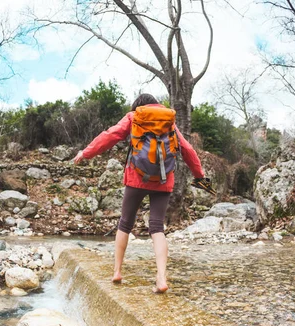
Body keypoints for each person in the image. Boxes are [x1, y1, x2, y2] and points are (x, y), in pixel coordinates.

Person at [73, 94, 206, 293]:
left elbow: (110, 135)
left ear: (138, 106)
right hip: (163, 180)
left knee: (125, 223)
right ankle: (161, 278)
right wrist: (200, 175)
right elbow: (187, 149)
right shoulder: (168, 121)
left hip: (136, 177)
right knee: (157, 227)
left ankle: (117, 271)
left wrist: (86, 152)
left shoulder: (134, 117)